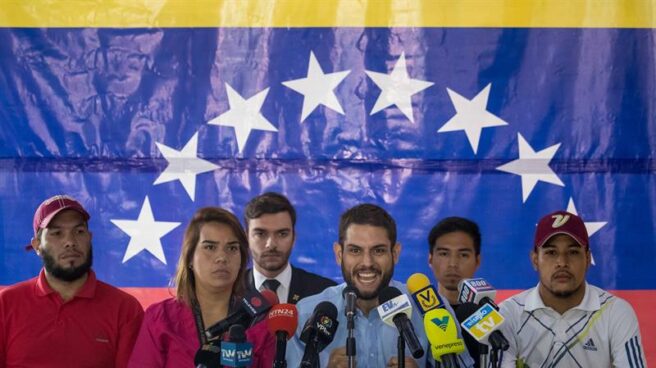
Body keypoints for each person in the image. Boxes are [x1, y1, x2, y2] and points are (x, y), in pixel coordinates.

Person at [286, 203, 474, 368]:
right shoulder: (307, 313)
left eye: (378, 250)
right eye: (355, 250)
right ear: (339, 254)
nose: (367, 262)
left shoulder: (430, 309)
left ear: (395, 253)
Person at [0, 194, 144, 368]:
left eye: (79, 231)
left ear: (90, 238)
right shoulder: (5, 304)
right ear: (37, 245)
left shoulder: (125, 309)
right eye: (57, 233)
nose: (70, 242)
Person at [128, 207, 274, 367]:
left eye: (232, 248)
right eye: (210, 247)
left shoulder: (259, 321)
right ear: (190, 257)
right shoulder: (161, 318)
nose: (222, 257)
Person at [499, 210, 646, 367]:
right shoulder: (507, 315)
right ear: (535, 260)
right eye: (551, 252)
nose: (562, 262)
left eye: (573, 252)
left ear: (588, 258)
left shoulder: (615, 312)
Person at [243, 192, 336, 304]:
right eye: (261, 234)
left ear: (294, 238)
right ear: (246, 237)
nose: (271, 244)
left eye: (282, 234)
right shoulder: (229, 292)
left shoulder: (325, 293)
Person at [427, 216, 482, 309]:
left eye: (463, 255)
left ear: (477, 261)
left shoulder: (491, 317)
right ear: (430, 259)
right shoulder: (416, 318)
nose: (453, 264)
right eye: (444, 254)